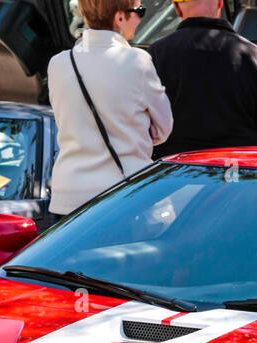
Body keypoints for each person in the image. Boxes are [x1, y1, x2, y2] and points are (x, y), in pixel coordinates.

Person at [47, 0, 171, 219]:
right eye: (139, 11)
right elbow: (164, 129)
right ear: (119, 17)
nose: (140, 18)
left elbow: (66, 122)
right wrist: (134, 132)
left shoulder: (58, 63)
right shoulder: (137, 61)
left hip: (68, 196)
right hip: (123, 194)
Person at [149, 0, 257, 158]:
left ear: (177, 8)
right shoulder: (256, 58)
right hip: (239, 173)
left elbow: (145, 126)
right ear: (220, 3)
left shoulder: (155, 55)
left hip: (172, 174)